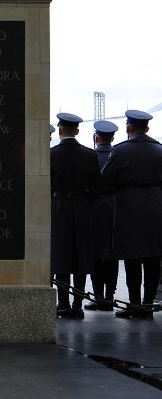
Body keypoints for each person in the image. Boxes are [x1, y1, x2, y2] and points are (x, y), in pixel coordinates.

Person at [101, 110, 162, 319]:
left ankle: (135, 303)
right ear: (147, 128)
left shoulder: (121, 151)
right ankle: (148, 304)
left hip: (129, 208)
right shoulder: (159, 150)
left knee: (132, 258)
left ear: (128, 127)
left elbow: (105, 180)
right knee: (153, 257)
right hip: (156, 208)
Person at [50, 112, 100, 319]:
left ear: (60, 130)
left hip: (59, 206)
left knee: (61, 255)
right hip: (81, 207)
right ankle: (78, 303)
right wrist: (84, 202)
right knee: (81, 256)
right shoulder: (90, 155)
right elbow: (97, 187)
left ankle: (63, 302)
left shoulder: (51, 154)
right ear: (77, 131)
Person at [85, 120, 119, 311]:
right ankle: (109, 297)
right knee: (113, 255)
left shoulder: (90, 156)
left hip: (94, 209)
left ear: (95, 138)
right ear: (112, 138)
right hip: (115, 208)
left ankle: (97, 297)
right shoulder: (118, 155)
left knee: (96, 255)